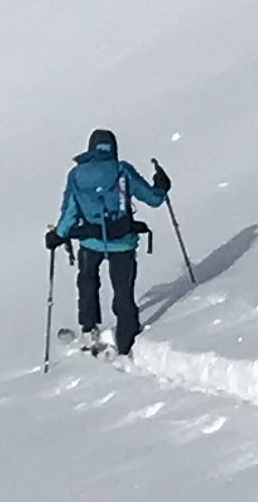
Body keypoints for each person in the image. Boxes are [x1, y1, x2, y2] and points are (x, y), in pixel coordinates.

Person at [46, 128, 172, 356]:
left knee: (87, 282)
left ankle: (88, 330)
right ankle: (127, 339)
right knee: (123, 291)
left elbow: (70, 212)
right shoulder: (122, 170)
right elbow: (153, 199)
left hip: (90, 242)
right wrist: (162, 186)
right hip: (123, 241)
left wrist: (58, 235)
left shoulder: (77, 175)